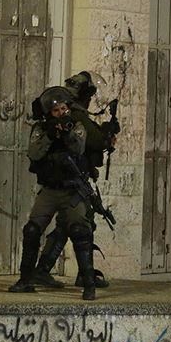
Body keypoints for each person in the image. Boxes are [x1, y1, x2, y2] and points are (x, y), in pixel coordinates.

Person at [32, 71, 120, 290]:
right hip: (69, 181)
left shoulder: (71, 113)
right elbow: (95, 141)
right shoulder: (75, 114)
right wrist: (106, 134)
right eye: (89, 95)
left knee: (70, 224)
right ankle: (77, 275)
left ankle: (44, 270)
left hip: (74, 177)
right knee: (82, 225)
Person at [8, 86, 98, 300]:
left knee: (80, 231)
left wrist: (66, 133)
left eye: (64, 109)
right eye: (56, 111)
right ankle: (25, 280)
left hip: (72, 190)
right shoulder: (41, 128)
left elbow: (79, 148)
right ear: (49, 113)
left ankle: (89, 285)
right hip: (50, 189)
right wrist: (49, 134)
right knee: (32, 230)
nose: (61, 113)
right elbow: (34, 153)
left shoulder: (76, 125)